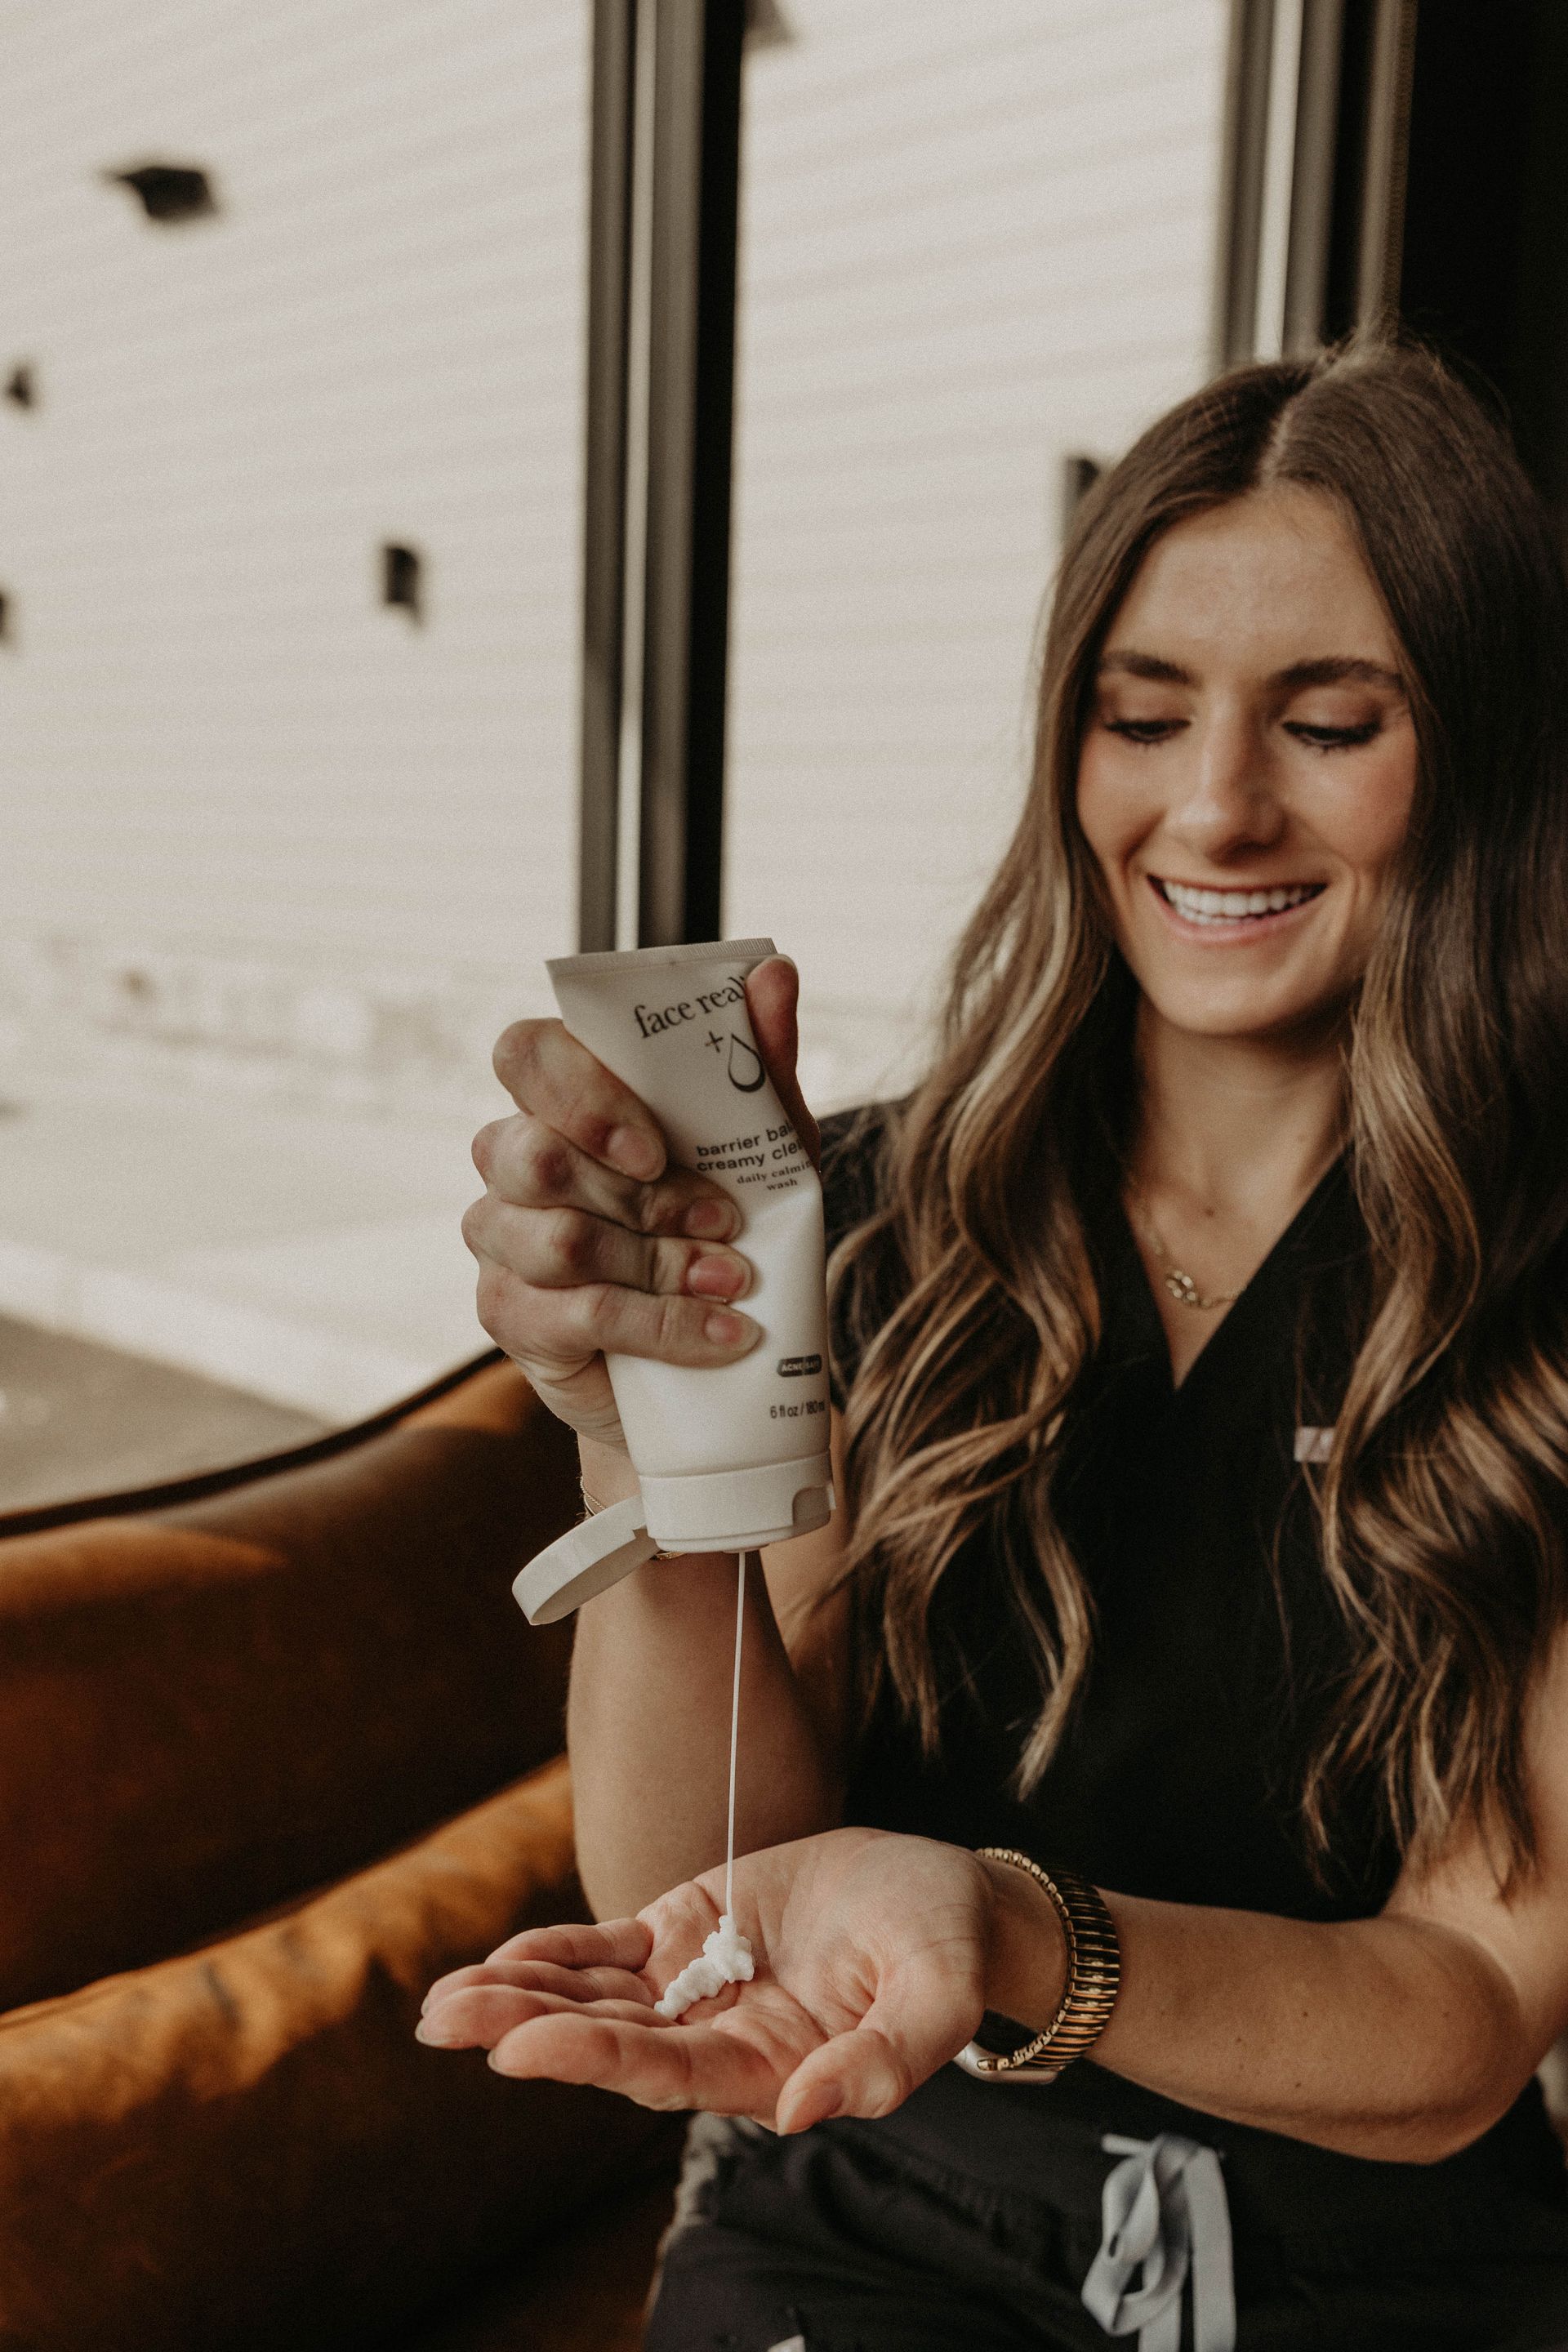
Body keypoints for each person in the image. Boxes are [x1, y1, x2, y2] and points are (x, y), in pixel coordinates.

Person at [418, 338, 1568, 2350]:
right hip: (866, 2200)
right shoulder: (879, 1212)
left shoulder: (1541, 1299)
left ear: (1476, 753)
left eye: (1326, 722)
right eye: (1145, 716)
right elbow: (722, 1879)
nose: (1213, 806)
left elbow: (1462, 2013)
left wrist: (1022, 1934)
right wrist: (649, 1452)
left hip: (1377, 2272)